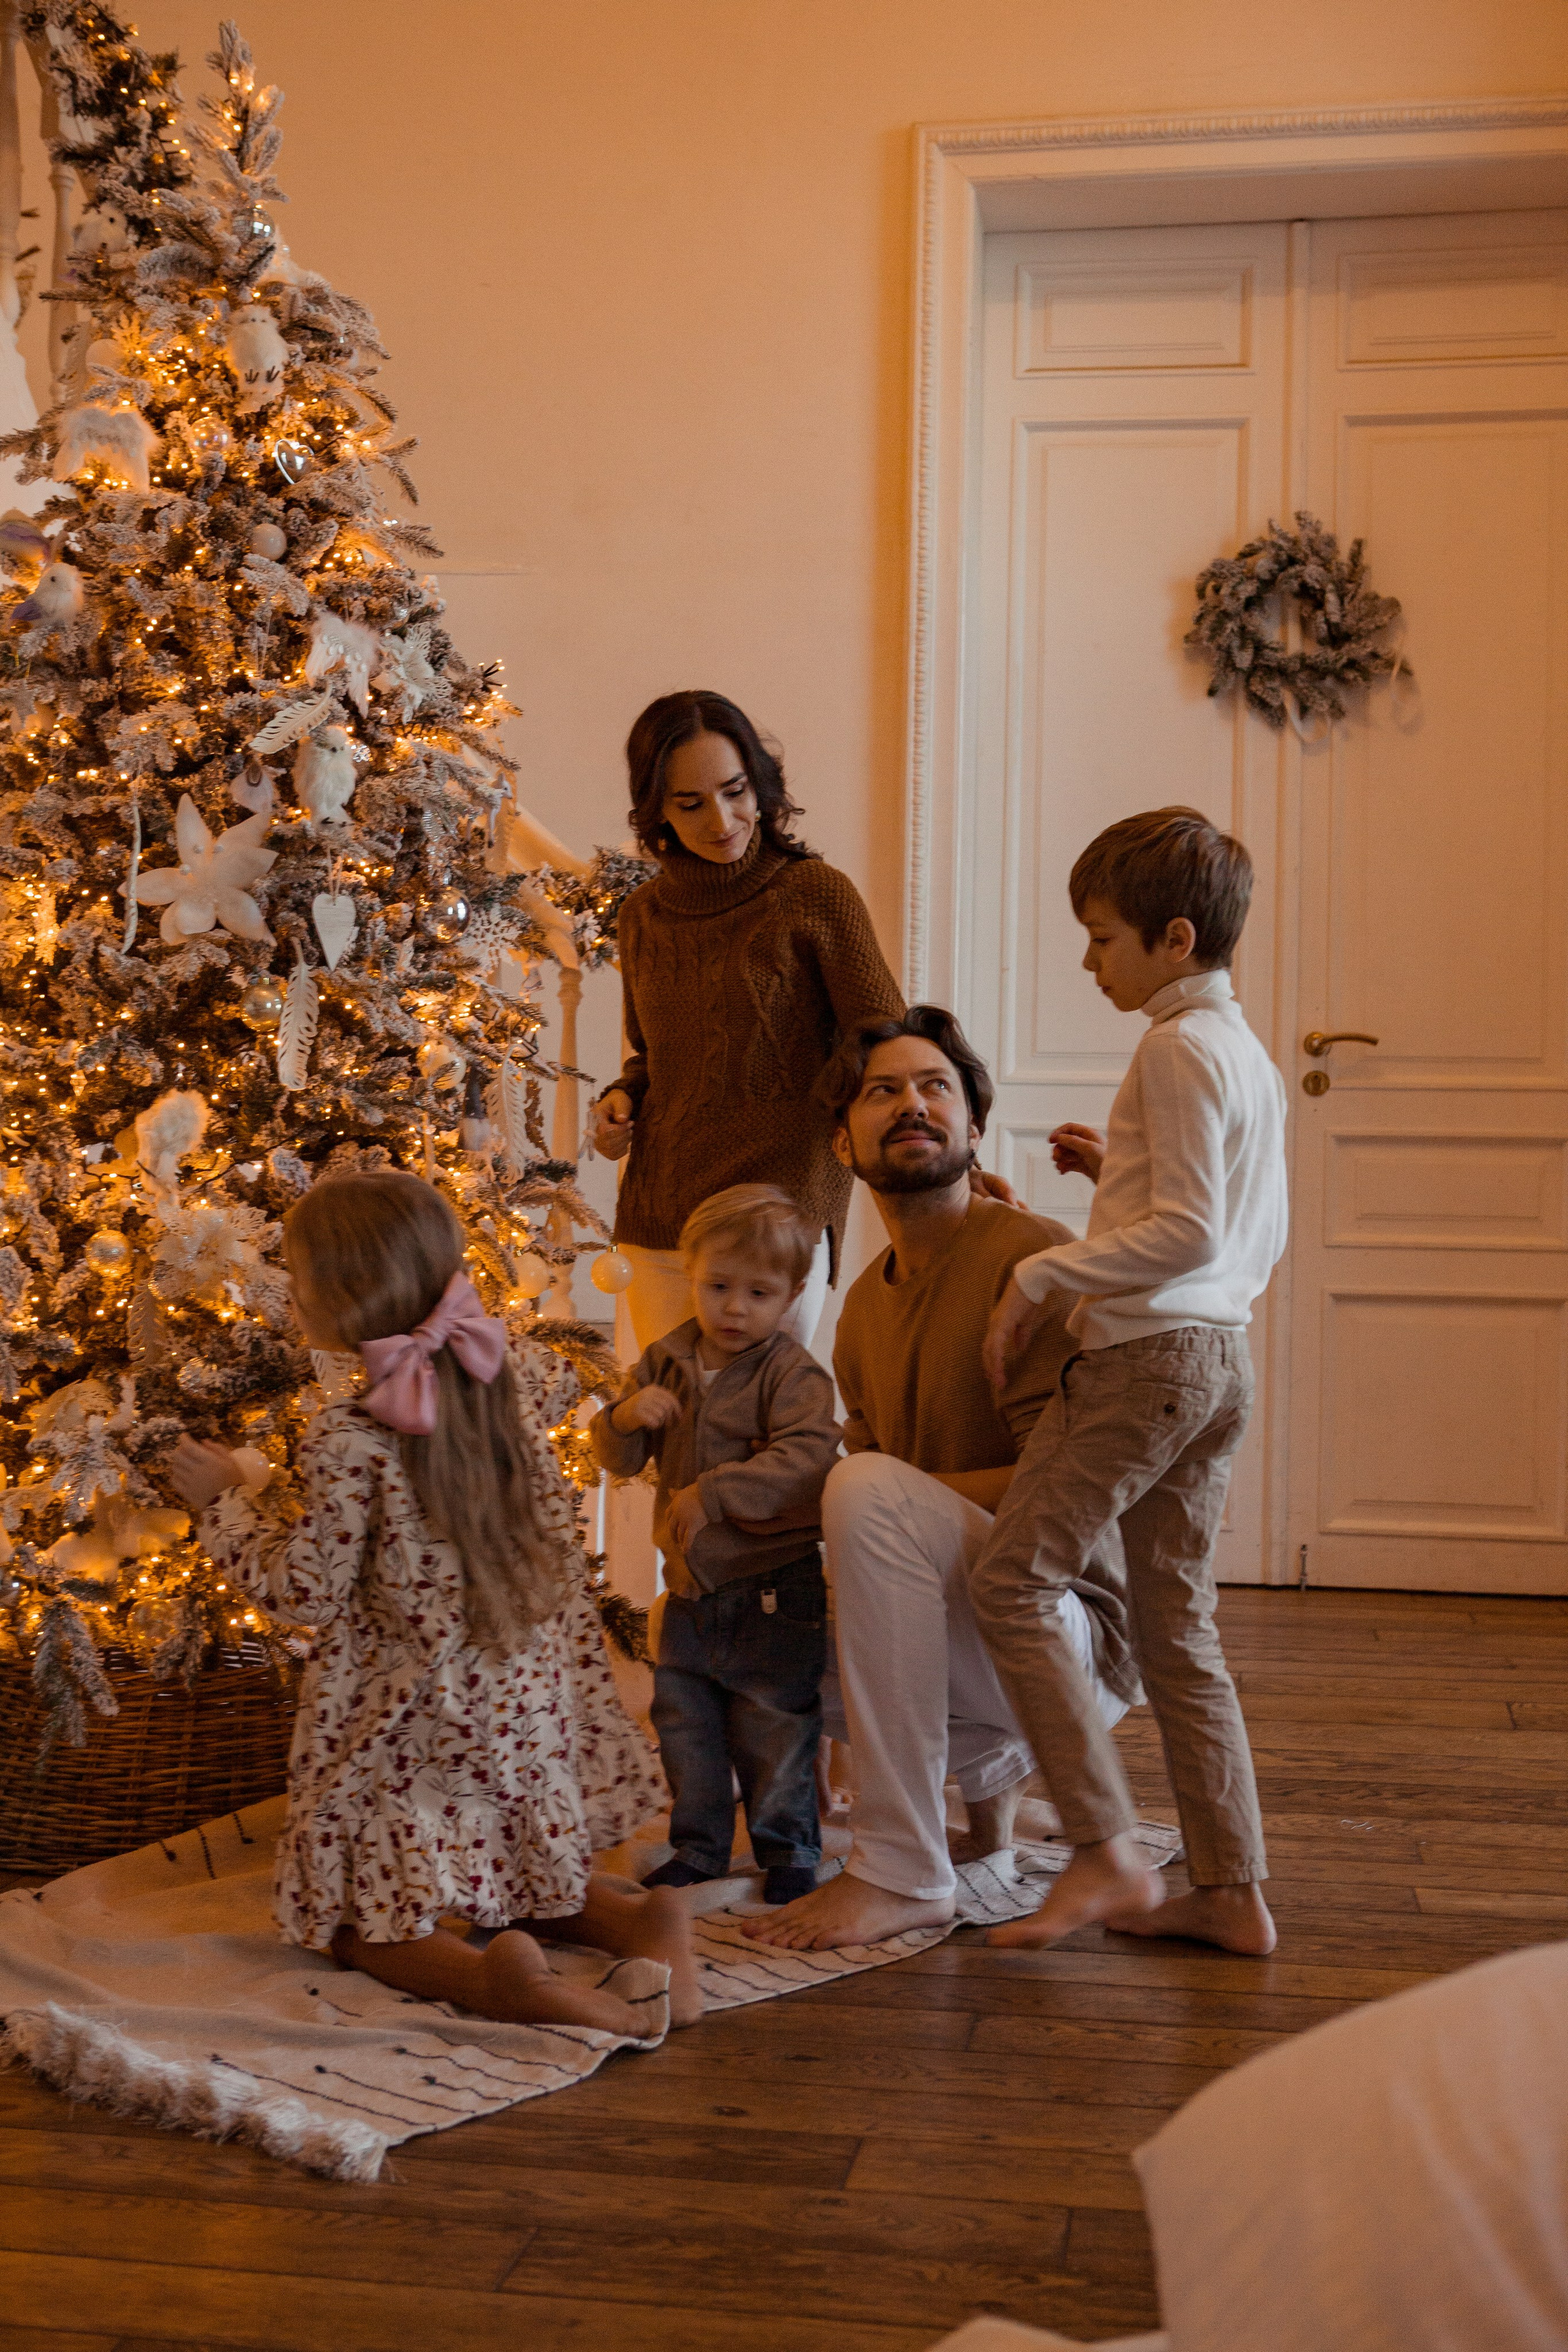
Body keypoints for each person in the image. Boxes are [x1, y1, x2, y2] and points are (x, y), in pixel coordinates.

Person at [168, 1169, 701, 2032]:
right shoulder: (510, 1382)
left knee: (355, 1925)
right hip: (519, 1707)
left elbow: (306, 1591)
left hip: (410, 1720)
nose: (289, 1297)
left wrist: (224, 1501)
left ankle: (494, 1983)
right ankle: (643, 1921)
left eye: (298, 1281)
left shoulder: (350, 1436)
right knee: (523, 1881)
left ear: (347, 1295)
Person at [745, 1008, 1138, 1953]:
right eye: (883, 1092)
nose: (912, 1104)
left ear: (972, 1128)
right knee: (742, 1593)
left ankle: (902, 1872)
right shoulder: (859, 1313)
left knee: (869, 1492)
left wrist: (865, 1489)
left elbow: (1072, 1482)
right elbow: (907, 1529)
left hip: (1070, 1630)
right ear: (843, 1140)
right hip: (975, 1637)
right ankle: (918, 1820)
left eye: (936, 1089)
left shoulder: (1034, 1260)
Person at [970, 807, 1287, 1954]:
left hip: (1148, 1363)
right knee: (1178, 1632)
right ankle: (1232, 1890)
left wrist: (1049, 1272)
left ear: (1175, 936)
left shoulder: (1175, 1047)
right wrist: (1118, 1176)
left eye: (1102, 938)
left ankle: (1103, 1849)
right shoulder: (1240, 1053)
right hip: (1219, 1367)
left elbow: (1192, 1235)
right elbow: (1232, 1224)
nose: (1088, 959)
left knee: (1011, 1580)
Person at [590, 689, 905, 1352]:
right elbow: (654, 1058)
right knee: (673, 1434)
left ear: (761, 784)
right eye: (689, 803)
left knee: (764, 1435)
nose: (722, 818)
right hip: (662, 1216)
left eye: (735, 790)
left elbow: (886, 1045)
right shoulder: (641, 917)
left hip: (779, 1212)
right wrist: (622, 1099)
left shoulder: (815, 894)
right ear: (657, 812)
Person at [592, 1185, 840, 1905]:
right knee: (684, 1725)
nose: (735, 1308)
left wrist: (715, 1490)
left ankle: (787, 1849)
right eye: (718, 1287)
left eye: (758, 1293)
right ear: (692, 1277)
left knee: (773, 1725)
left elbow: (808, 1458)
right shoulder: (666, 1360)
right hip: (691, 1593)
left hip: (772, 1589)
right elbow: (616, 1460)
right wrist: (624, 1417)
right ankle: (698, 1847)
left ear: (792, 1295)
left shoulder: (791, 1375)